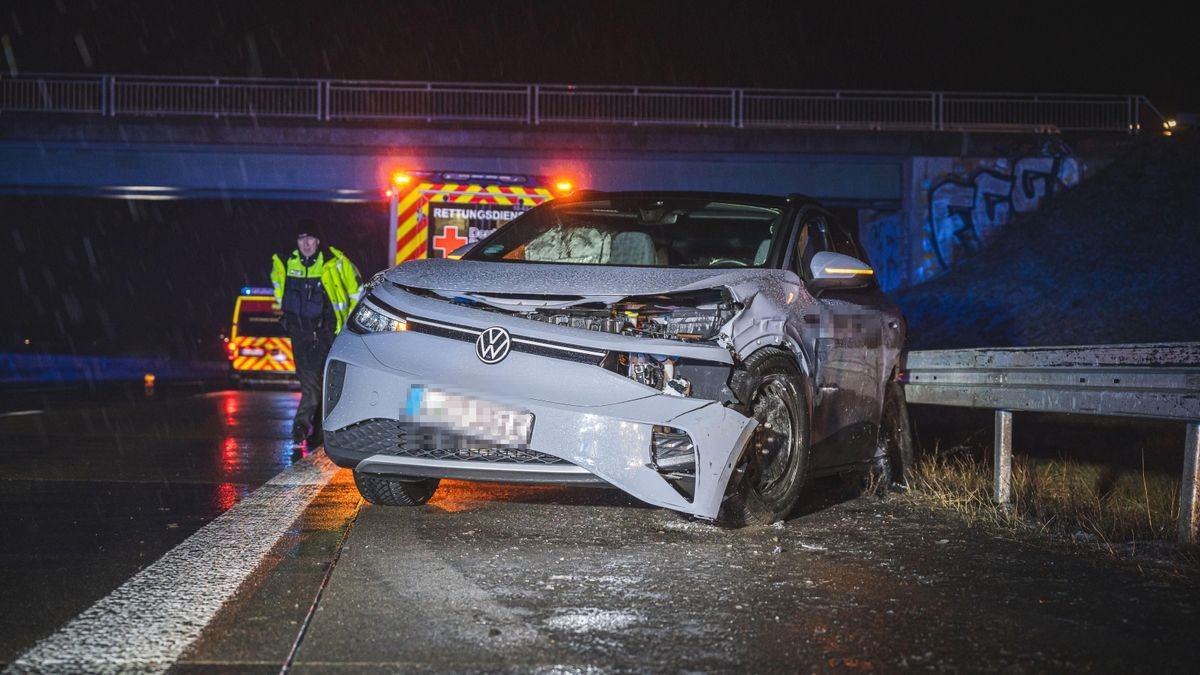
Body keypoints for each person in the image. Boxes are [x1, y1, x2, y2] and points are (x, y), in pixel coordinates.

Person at [271, 219, 362, 446]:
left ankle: (307, 428)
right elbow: (279, 295)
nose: (306, 244)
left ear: (318, 241)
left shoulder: (335, 262)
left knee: (326, 383)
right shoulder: (284, 263)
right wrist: (286, 320)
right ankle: (309, 429)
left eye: (310, 238)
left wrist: (349, 326)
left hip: (328, 333)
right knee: (310, 383)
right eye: (302, 239)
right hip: (300, 334)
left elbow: (356, 293)